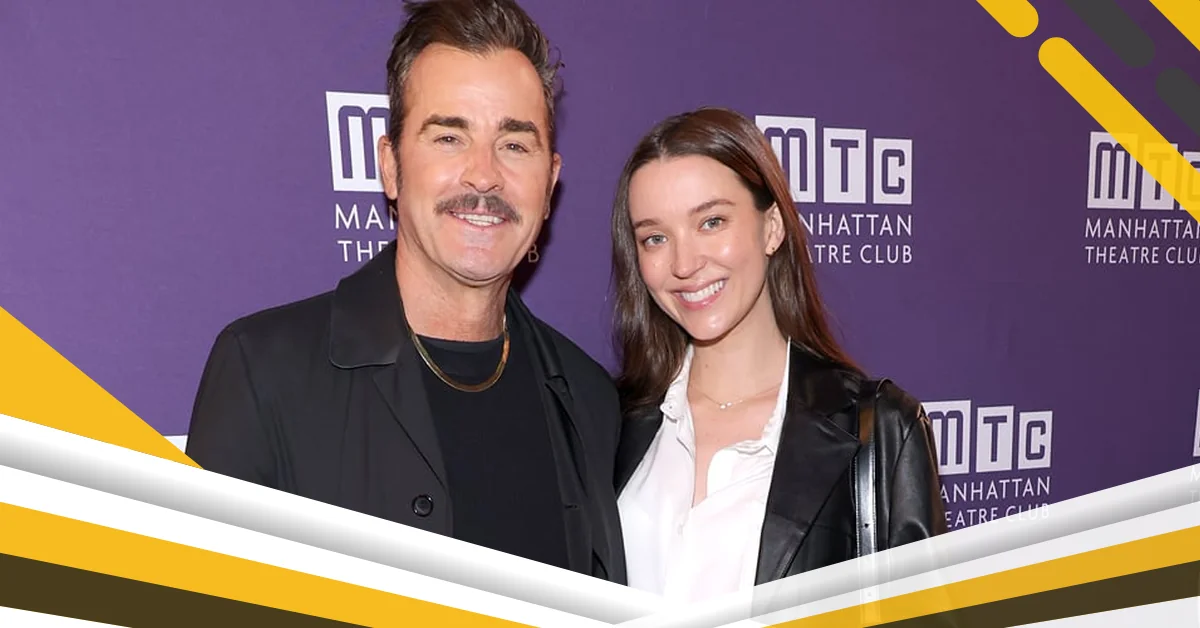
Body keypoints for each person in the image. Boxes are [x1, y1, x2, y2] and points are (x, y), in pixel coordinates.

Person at [185, 0, 627, 584]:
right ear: (390, 167)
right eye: (449, 137)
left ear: (550, 183)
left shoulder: (589, 398)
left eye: (515, 145)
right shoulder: (263, 371)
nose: (483, 174)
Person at [610, 107, 944, 603]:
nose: (684, 263)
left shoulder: (879, 429)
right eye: (655, 238)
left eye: (711, 222)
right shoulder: (609, 421)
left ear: (771, 228)